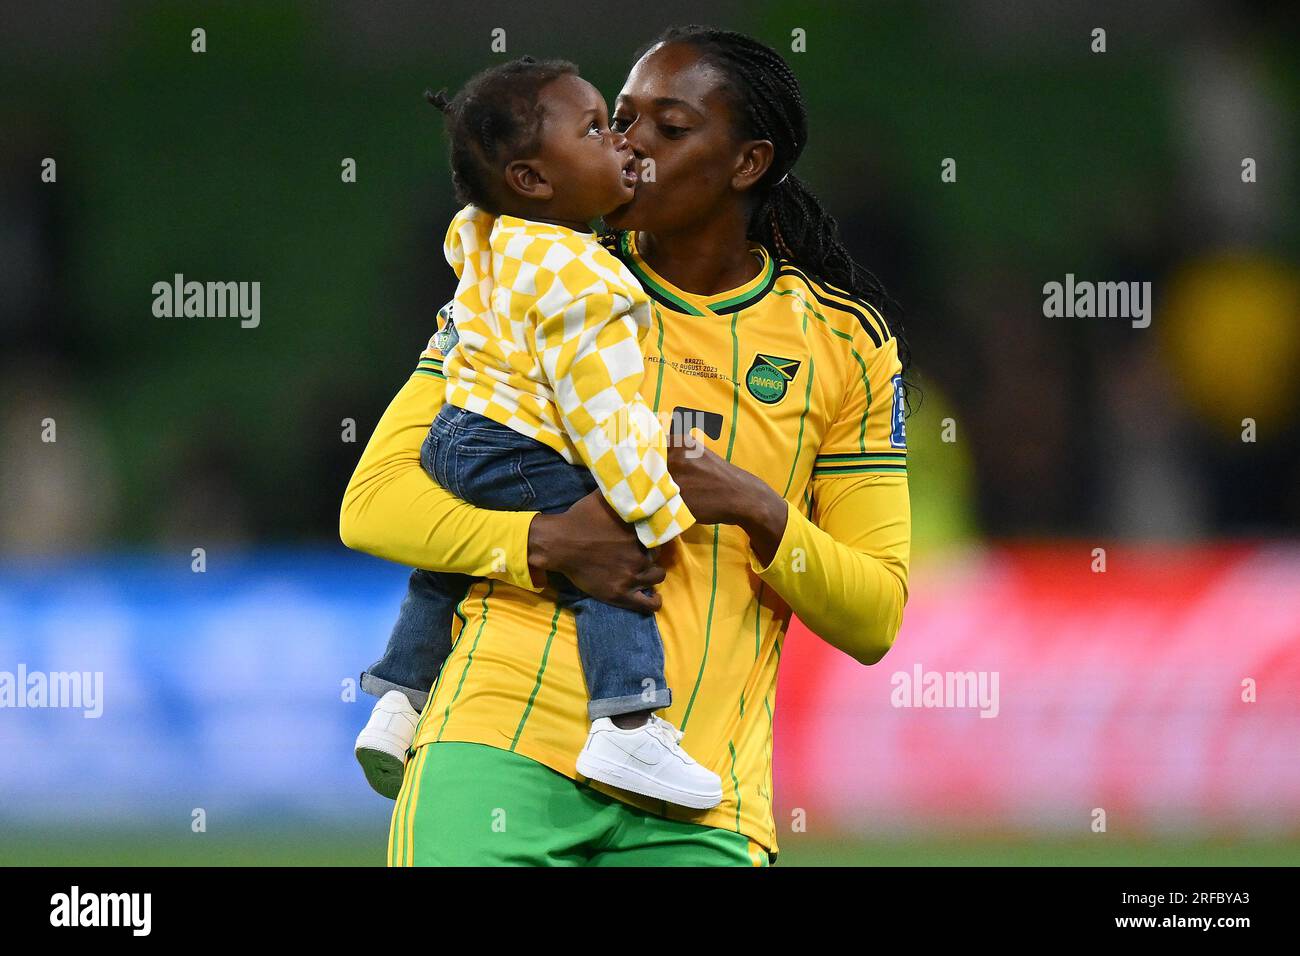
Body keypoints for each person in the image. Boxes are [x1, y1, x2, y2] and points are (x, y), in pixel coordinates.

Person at [341, 25, 911, 866]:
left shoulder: (842, 344)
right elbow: (375, 502)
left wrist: (756, 507)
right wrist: (541, 541)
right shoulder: (534, 282)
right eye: (621, 119)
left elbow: (874, 615)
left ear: (747, 163)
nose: (631, 145)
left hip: (700, 799)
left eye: (669, 129)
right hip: (502, 747)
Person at [352, 56, 720, 812]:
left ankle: (399, 694)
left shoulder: (486, 234)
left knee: (443, 571)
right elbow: (603, 419)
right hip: (520, 442)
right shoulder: (587, 282)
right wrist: (651, 512)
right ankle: (628, 719)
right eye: (594, 129)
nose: (621, 141)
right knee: (611, 556)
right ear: (531, 180)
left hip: (455, 434)